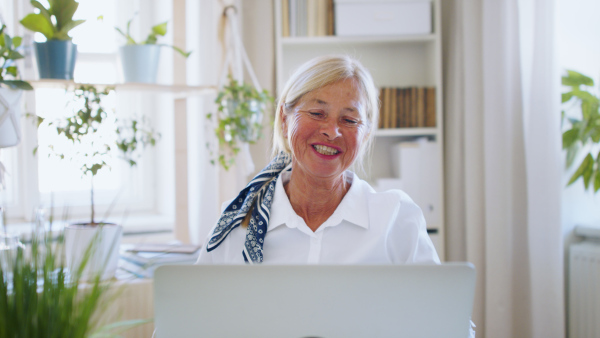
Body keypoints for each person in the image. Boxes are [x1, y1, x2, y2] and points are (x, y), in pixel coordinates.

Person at [197, 54, 439, 265]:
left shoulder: (396, 218)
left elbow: (443, 315)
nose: (332, 131)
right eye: (316, 113)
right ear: (284, 118)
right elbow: (198, 312)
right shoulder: (236, 222)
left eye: (350, 120)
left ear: (365, 134)